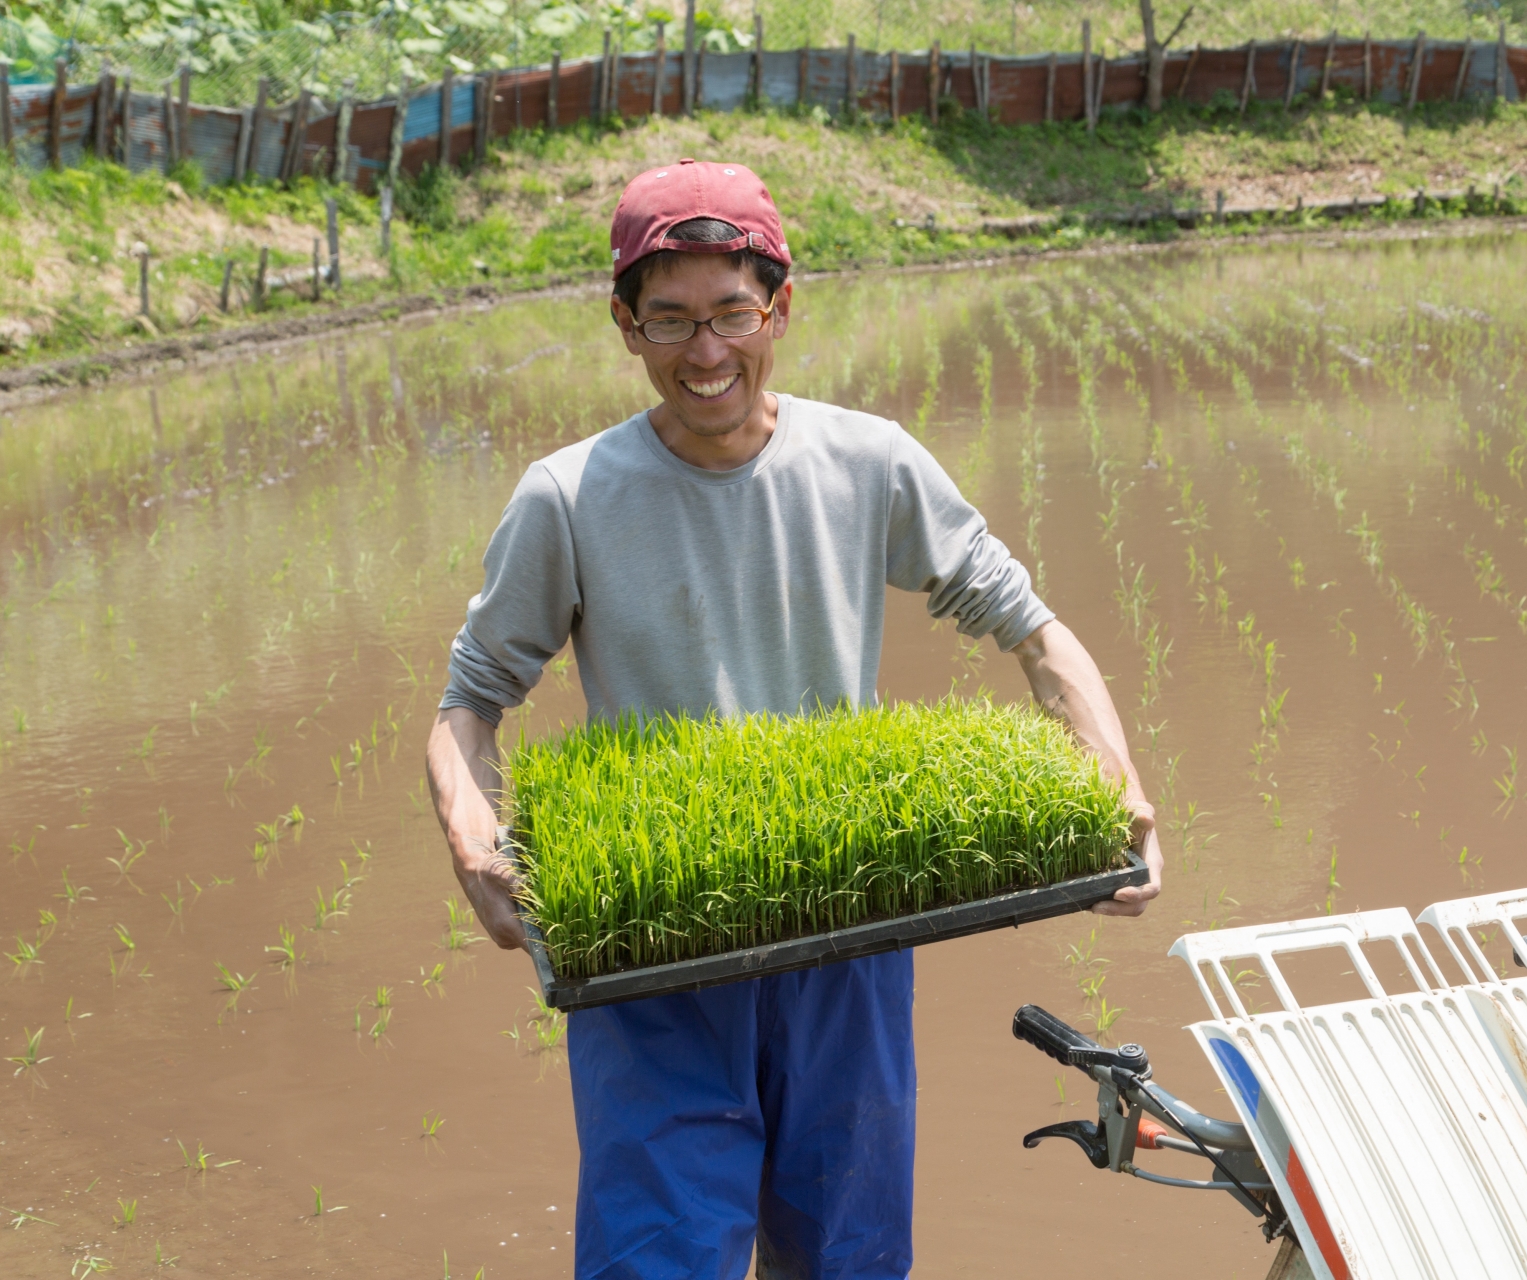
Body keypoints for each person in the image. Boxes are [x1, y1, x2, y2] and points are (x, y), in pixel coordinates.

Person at [425, 158, 1163, 1280]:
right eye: (670, 319)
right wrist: (476, 848)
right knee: (657, 1260)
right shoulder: (569, 496)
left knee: (848, 1257)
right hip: (655, 965)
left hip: (846, 951)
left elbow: (1036, 632)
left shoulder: (868, 460)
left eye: (732, 312)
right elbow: (469, 701)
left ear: (781, 306)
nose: (707, 352)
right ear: (626, 325)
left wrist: (1122, 789)